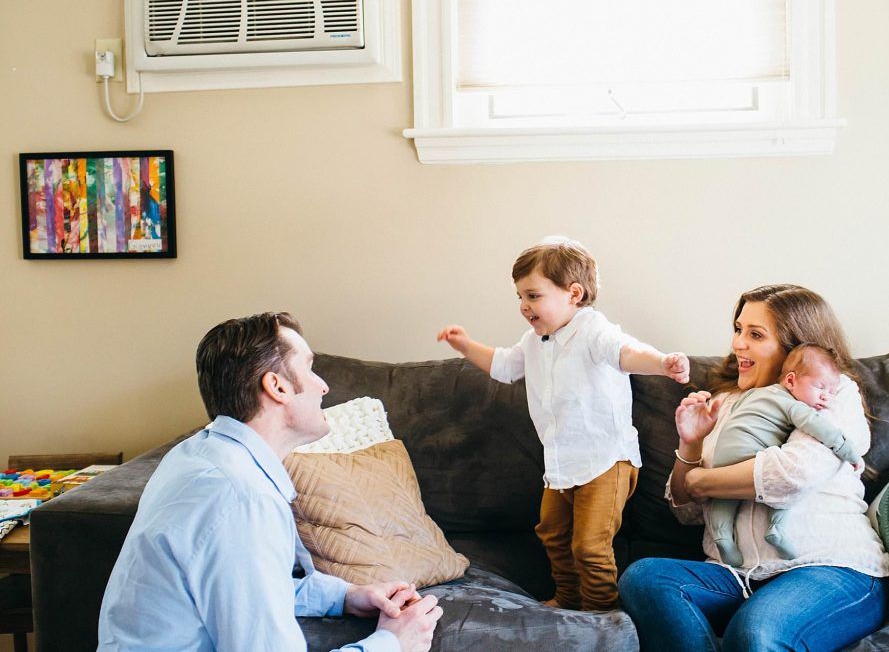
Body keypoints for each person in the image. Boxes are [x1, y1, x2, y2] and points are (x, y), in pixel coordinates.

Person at [97, 312, 443, 652]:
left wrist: (347, 596)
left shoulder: (198, 454)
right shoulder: (242, 500)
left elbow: (248, 588)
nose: (323, 386)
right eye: (309, 367)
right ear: (277, 386)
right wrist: (393, 643)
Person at [618, 284, 889, 651]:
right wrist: (691, 444)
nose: (738, 344)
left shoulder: (832, 392)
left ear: (794, 347)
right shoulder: (724, 402)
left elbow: (792, 474)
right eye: (738, 329)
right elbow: (687, 512)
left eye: (755, 334)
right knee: (644, 578)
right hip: (737, 575)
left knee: (755, 633)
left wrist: (704, 480)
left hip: (831, 567)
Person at [436, 236, 690, 612]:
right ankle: (568, 598)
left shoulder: (593, 330)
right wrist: (466, 346)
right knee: (552, 533)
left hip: (606, 461)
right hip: (561, 464)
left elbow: (625, 353)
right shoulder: (534, 340)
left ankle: (601, 610)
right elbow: (505, 366)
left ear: (573, 293)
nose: (524, 306)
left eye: (534, 296)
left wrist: (661, 363)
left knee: (590, 544)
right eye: (520, 297)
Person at [710, 343, 863, 567]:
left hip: (723, 455)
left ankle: (723, 536)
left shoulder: (752, 394)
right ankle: (776, 529)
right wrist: (849, 452)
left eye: (831, 392)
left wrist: (702, 479)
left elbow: (736, 414)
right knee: (779, 490)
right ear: (790, 381)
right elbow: (820, 428)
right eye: (820, 388)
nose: (826, 398)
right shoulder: (791, 404)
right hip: (752, 454)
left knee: (723, 498)